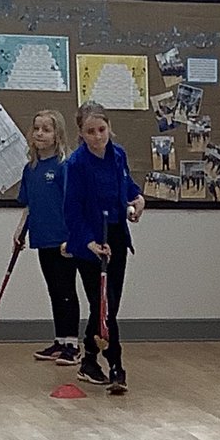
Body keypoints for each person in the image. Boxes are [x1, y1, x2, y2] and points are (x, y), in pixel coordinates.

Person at [63, 102, 145, 394]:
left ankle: (88, 358)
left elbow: (128, 185)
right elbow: (71, 211)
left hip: (117, 239)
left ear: (109, 127)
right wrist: (89, 242)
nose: (97, 136)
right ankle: (116, 367)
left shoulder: (117, 154)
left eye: (101, 129)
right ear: (81, 134)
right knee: (104, 306)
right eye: (90, 131)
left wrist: (138, 199)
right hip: (90, 244)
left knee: (108, 307)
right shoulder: (76, 165)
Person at [15, 109, 80, 366]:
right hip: (42, 238)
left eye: (46, 129)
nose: (40, 133)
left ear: (57, 135)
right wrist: (19, 232)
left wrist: (73, 237)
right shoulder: (30, 169)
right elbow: (29, 205)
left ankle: (73, 345)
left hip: (63, 240)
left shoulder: (65, 167)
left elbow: (74, 204)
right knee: (53, 290)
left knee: (66, 290)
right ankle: (60, 340)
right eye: (36, 128)